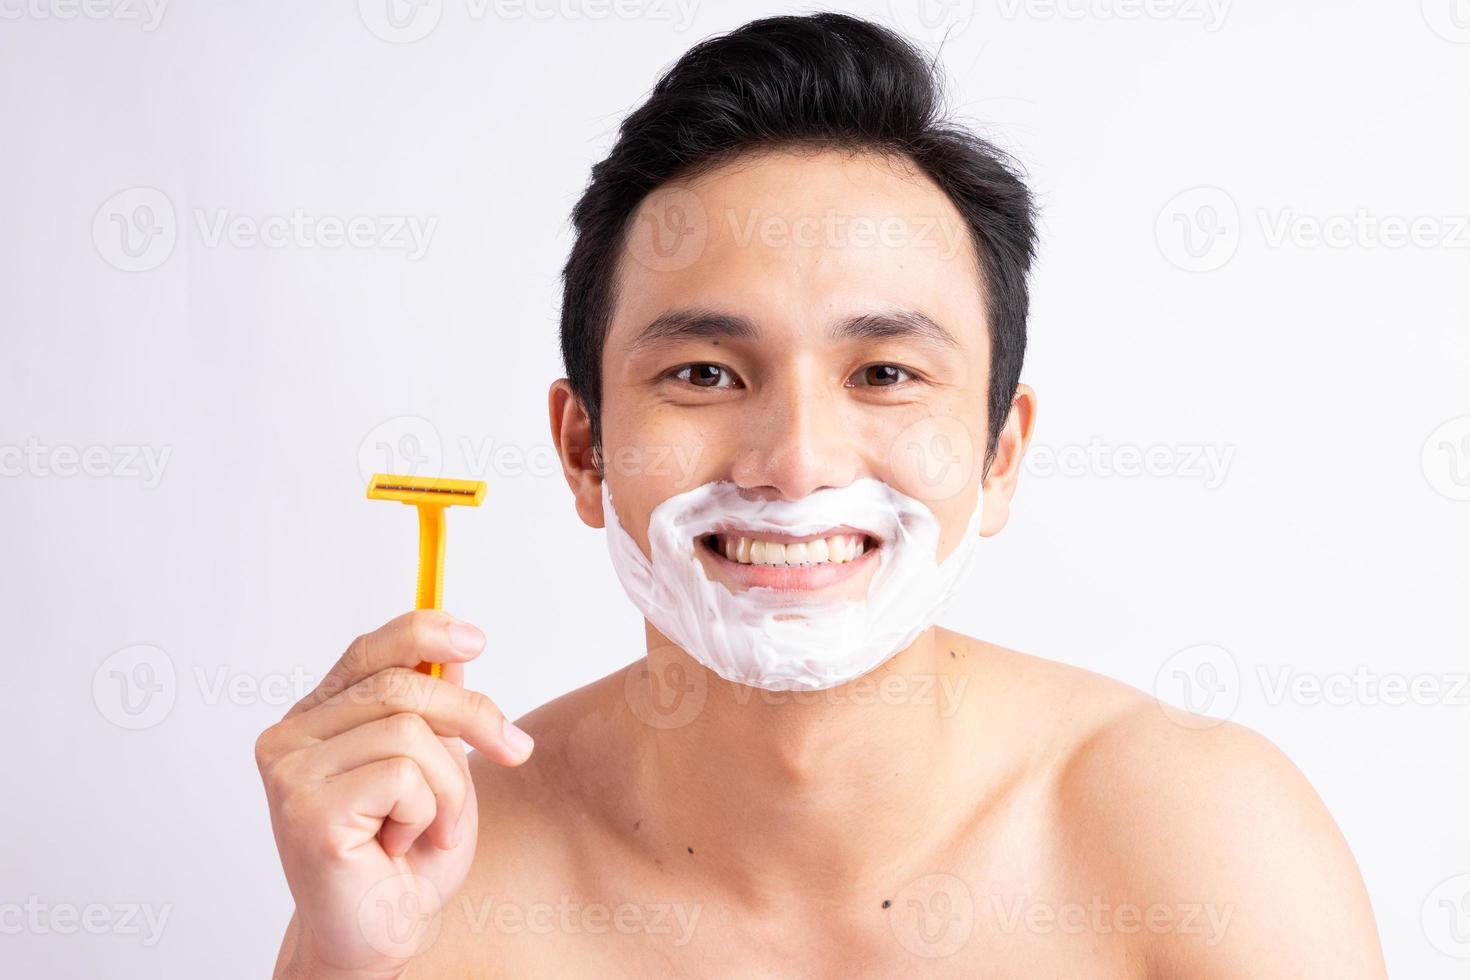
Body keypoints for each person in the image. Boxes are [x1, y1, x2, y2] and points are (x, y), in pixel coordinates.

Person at [255, 13, 1387, 977]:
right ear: (584, 448)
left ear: (999, 453)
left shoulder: (1202, 838)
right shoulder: (447, 879)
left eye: (884, 375)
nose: (796, 462)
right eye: (704, 373)